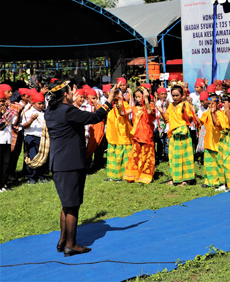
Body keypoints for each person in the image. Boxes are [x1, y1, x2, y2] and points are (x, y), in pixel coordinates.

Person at [45, 80, 116, 257]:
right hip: (71, 164)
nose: (74, 93)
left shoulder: (50, 110)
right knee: (73, 205)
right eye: (71, 91)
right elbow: (94, 118)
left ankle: (62, 240)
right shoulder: (68, 111)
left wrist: (72, 104)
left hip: (58, 163)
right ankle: (71, 245)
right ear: (66, 95)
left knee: (66, 204)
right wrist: (110, 100)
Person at [157, 85, 196, 186]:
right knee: (174, 157)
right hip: (173, 133)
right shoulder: (171, 106)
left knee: (184, 156)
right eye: (173, 95)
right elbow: (167, 120)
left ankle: (186, 179)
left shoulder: (185, 105)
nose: (174, 97)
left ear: (182, 95)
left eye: (177, 95)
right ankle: (176, 178)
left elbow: (190, 119)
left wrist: (185, 114)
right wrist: (161, 112)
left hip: (182, 133)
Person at [123, 87, 156, 184]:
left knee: (146, 157)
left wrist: (146, 99)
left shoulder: (149, 106)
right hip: (137, 135)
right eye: (136, 97)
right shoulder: (134, 108)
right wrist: (119, 101)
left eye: (139, 96)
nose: (137, 99)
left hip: (146, 135)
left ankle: (143, 176)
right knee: (135, 156)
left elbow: (150, 113)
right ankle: (133, 175)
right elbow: (123, 113)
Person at [212, 92, 230, 192]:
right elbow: (217, 124)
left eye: (225, 102)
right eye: (222, 102)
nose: (223, 104)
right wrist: (213, 113)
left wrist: (229, 114)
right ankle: (224, 183)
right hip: (223, 138)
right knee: (221, 161)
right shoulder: (220, 113)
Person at [21, 92, 46, 184]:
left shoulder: (44, 113)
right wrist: (31, 120)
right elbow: (24, 125)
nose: (41, 105)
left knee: (42, 156)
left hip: (42, 137)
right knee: (32, 157)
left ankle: (41, 175)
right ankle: (31, 177)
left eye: (43, 103)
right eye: (39, 103)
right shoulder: (28, 113)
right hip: (31, 136)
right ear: (33, 103)